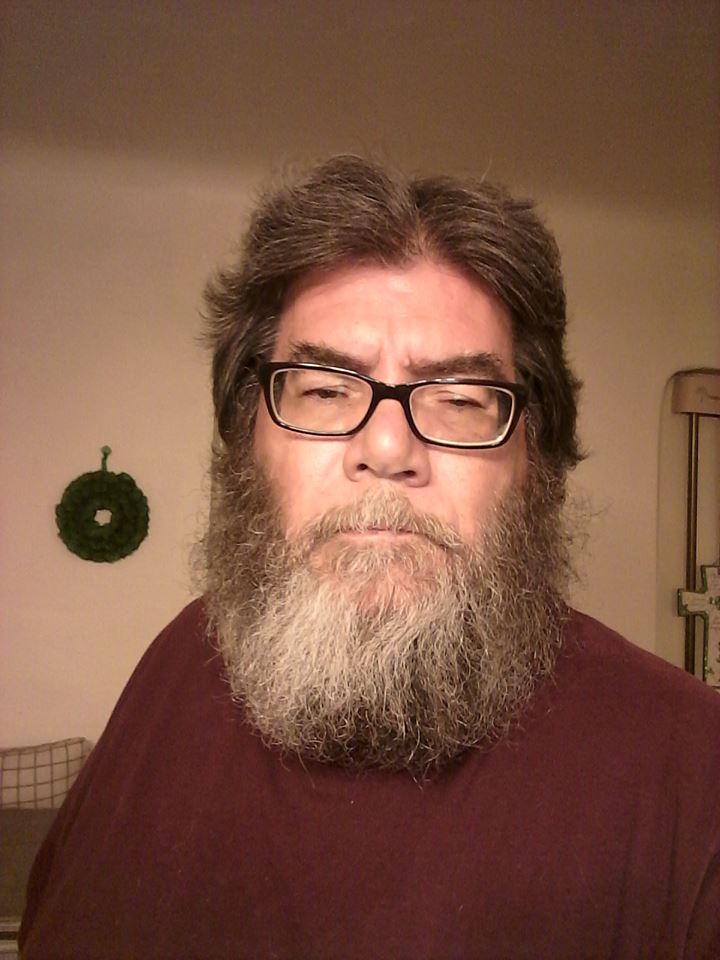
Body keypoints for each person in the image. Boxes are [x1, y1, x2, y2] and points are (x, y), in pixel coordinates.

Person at [20, 156, 720, 959]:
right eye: (324, 389)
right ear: (248, 433)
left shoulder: (694, 774)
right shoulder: (182, 657)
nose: (387, 448)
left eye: (460, 400)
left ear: (536, 457)